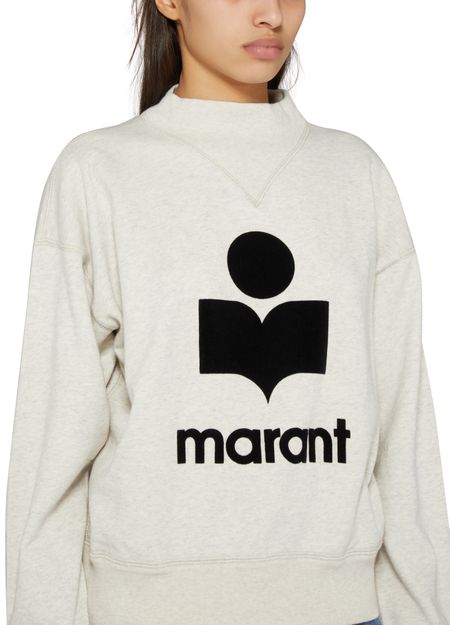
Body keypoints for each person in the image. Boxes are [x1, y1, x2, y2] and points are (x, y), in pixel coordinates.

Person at [5, 0, 450, 624]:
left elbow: (402, 428)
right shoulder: (99, 172)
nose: (271, 14)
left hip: (344, 609)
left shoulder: (355, 174)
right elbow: (53, 443)